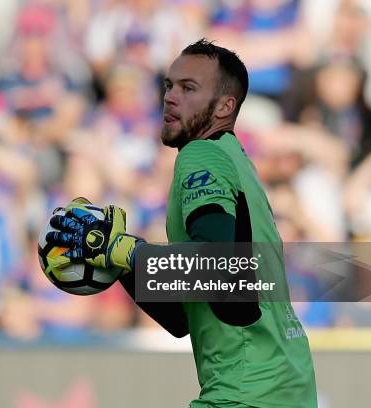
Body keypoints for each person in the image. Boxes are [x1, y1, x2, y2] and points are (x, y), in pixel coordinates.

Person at [45, 39, 317, 407]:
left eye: (189, 88)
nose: (171, 97)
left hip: (246, 391)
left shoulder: (201, 155)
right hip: (285, 386)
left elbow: (220, 273)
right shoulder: (236, 161)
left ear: (225, 106)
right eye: (169, 85)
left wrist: (124, 251)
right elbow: (182, 318)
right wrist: (122, 261)